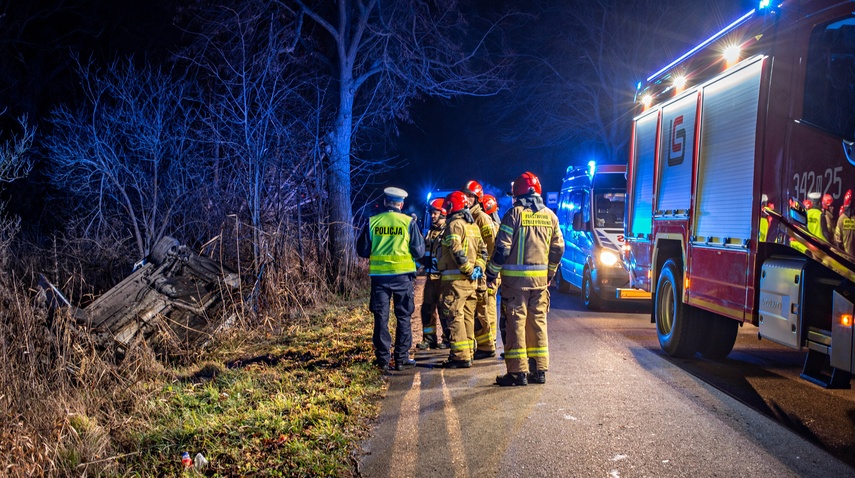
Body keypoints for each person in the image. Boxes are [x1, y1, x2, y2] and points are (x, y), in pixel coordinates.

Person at [486, 172, 564, 386]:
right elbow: (558, 248)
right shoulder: (550, 216)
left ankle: (517, 373)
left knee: (515, 324)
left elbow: (502, 248)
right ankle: (538, 371)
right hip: (540, 283)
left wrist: (491, 272)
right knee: (538, 322)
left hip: (515, 284)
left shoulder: (514, 214)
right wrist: (550, 273)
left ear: (518, 193)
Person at [356, 187, 425, 371]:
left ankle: (383, 360)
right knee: (403, 317)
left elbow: (362, 250)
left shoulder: (372, 222)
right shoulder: (408, 222)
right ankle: (402, 359)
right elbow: (419, 251)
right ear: (401, 204)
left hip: (379, 279)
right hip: (403, 277)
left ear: (386, 202)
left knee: (381, 318)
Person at [437, 191, 488, 368]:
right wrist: (478, 269)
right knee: (468, 317)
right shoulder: (473, 226)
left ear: (452, 206)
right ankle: (469, 353)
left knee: (454, 316)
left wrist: (467, 270)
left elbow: (456, 251)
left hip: (456, 282)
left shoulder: (454, 225)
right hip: (471, 283)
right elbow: (484, 251)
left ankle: (460, 356)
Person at [461, 180, 498, 360]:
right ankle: (484, 343)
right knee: (477, 310)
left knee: (485, 308)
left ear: (477, 199)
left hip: (485, 272)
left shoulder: (481, 218)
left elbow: (492, 246)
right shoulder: (467, 216)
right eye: (465, 195)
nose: (466, 199)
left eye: (470, 196)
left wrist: (489, 272)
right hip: (477, 270)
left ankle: (488, 345)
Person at [416, 198, 451, 350]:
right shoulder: (430, 232)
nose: (432, 216)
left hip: (444, 278)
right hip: (431, 277)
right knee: (428, 308)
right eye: (431, 213)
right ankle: (429, 339)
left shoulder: (448, 231)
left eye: (435, 213)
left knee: (445, 309)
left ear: (443, 214)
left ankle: (448, 338)